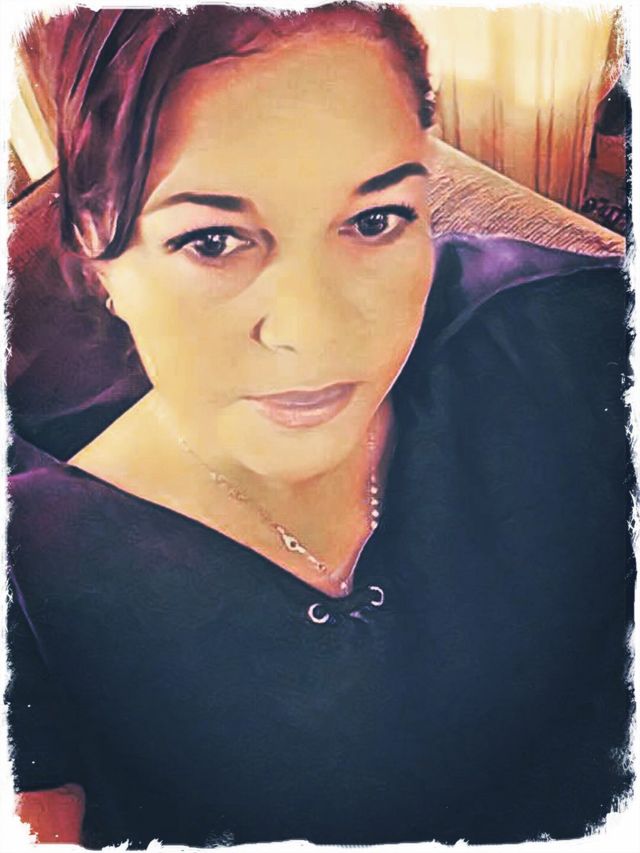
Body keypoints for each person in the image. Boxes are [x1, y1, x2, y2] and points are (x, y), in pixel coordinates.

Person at [5, 3, 633, 849]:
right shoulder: (32, 573)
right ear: (96, 249)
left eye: (375, 220)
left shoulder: (564, 336)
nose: (316, 332)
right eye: (213, 240)